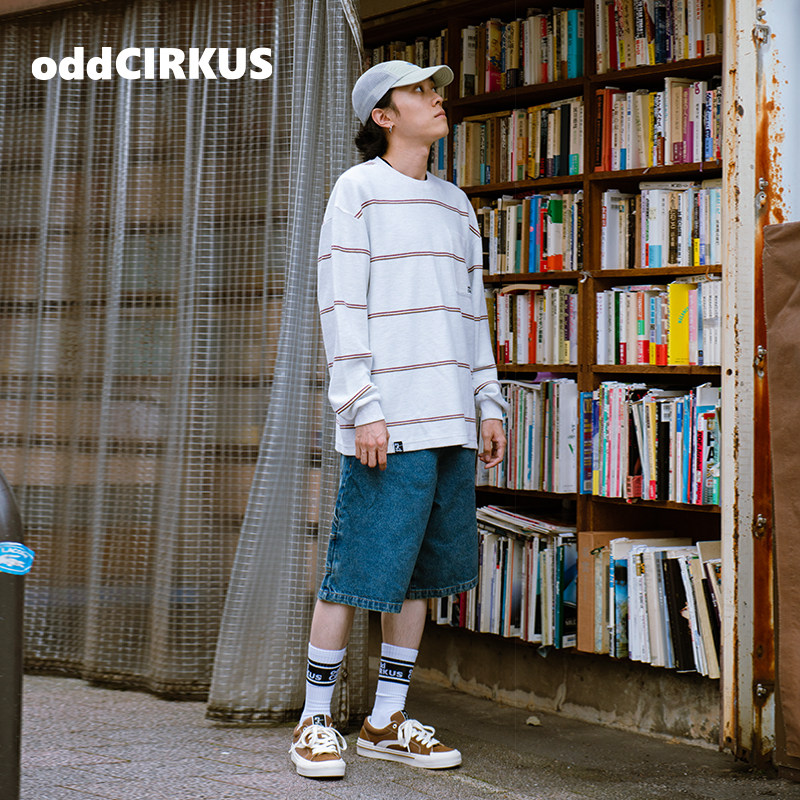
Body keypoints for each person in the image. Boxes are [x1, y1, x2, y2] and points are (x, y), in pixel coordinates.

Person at [289, 60, 507, 779]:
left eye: (434, 89)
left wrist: (488, 401)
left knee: (418, 577)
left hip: (451, 421)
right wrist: (362, 407)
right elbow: (340, 304)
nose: (436, 98)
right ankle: (315, 720)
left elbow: (472, 313)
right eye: (419, 91)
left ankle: (386, 719)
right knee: (357, 570)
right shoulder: (357, 191)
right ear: (383, 117)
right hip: (389, 422)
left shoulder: (455, 204)